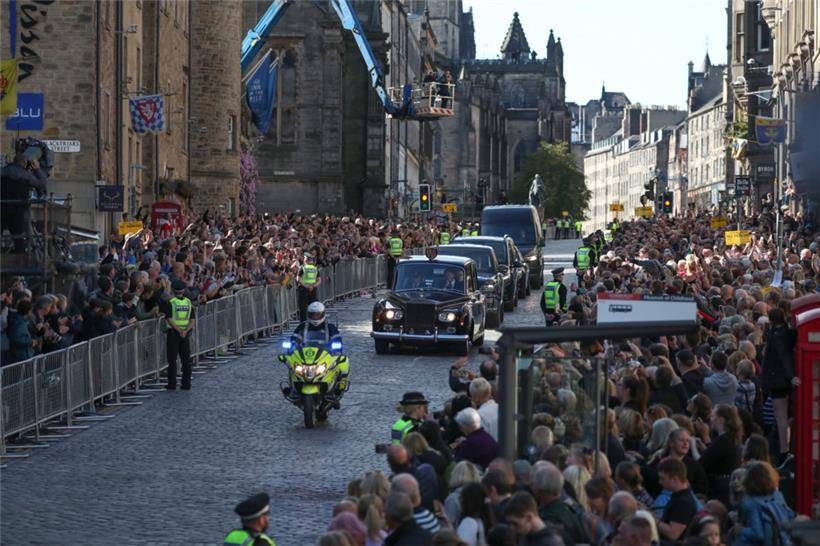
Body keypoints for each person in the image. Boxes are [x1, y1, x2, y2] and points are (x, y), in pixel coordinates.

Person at [288, 301, 348, 396]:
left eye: (318, 315)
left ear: (323, 314)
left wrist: (336, 349)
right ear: (308, 315)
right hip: (305, 356)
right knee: (291, 365)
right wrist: (291, 347)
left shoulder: (330, 327)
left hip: (324, 355)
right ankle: (293, 388)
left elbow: (337, 341)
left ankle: (339, 387)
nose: (315, 317)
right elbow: (294, 339)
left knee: (344, 361)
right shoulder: (302, 327)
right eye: (313, 315)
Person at [0, 153, 48, 253]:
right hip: (18, 211)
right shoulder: (25, 175)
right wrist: (37, 169)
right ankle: (19, 260)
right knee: (18, 239)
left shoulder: (3, 171)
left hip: (2, 209)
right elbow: (41, 183)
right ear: (24, 163)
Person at [165, 280, 195, 391]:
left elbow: (169, 319)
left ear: (173, 290)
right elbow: (192, 320)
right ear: (183, 291)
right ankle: (186, 384)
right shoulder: (188, 302)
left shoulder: (171, 302)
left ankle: (172, 384)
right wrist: (185, 331)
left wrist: (178, 330)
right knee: (186, 360)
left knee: (172, 361)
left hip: (174, 334)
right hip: (185, 335)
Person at [297, 254, 321, 322]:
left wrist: (306, 286)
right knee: (314, 307)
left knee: (303, 308)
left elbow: (298, 279)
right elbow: (319, 280)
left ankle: (303, 323)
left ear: (306, 260)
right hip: (313, 290)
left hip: (304, 289)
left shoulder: (302, 267)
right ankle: (314, 321)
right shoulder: (315, 268)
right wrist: (313, 286)